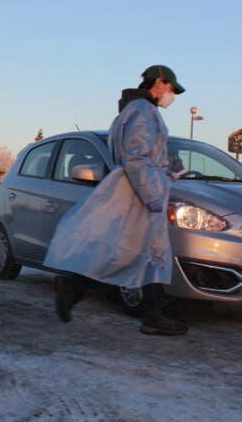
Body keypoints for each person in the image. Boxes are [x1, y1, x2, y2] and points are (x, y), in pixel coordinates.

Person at [44, 64, 188, 336]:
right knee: (134, 251)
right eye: (170, 89)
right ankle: (74, 286)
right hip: (142, 191)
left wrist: (168, 167)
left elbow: (141, 155)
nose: (172, 95)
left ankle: (151, 314)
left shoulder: (133, 111)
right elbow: (136, 157)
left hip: (141, 186)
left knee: (143, 253)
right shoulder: (144, 111)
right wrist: (153, 195)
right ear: (158, 82)